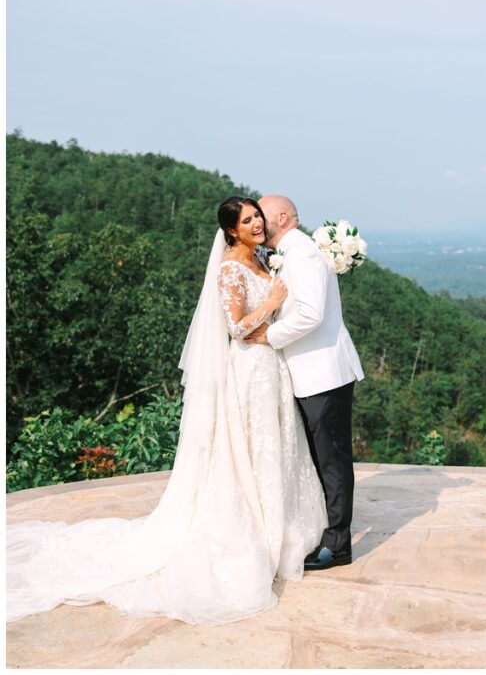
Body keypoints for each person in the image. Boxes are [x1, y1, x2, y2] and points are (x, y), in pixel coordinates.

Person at [7, 196, 327, 625]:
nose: (255, 224)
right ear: (231, 231)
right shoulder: (231, 267)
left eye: (256, 217)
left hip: (272, 369)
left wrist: (274, 304)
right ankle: (254, 534)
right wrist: (271, 305)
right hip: (249, 372)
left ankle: (282, 527)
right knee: (251, 452)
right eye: (246, 220)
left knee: (277, 448)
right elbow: (236, 328)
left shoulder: (263, 260)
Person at [247, 195, 364, 570]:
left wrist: (270, 336)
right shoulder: (289, 253)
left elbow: (312, 315)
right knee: (319, 457)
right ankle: (326, 530)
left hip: (324, 372)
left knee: (332, 458)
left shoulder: (305, 254)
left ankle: (339, 544)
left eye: (262, 215)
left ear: (281, 217)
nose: (259, 224)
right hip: (308, 373)